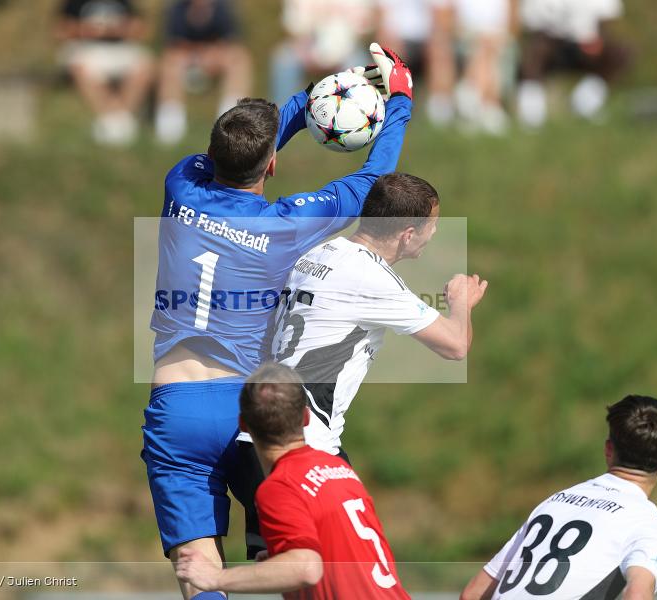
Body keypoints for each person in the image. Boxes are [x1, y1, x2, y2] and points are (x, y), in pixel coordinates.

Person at [141, 44, 415, 600]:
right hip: (249, 416)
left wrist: (311, 98)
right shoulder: (281, 226)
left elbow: (248, 141)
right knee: (291, 560)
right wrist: (399, 98)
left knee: (199, 570)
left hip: (175, 410)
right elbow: (374, 178)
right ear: (272, 165)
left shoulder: (181, 184)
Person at [229, 173, 488, 558]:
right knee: (355, 568)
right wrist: (461, 303)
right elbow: (455, 347)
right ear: (408, 233)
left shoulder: (315, 254)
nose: (434, 235)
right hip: (302, 449)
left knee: (289, 572)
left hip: (254, 442)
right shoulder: (373, 279)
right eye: (432, 226)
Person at [175, 362, 411, 599]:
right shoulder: (339, 468)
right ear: (306, 417)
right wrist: (283, 563)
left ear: (243, 424)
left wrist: (215, 577)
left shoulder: (279, 487)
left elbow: (306, 567)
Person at [460, 395, 657, 600]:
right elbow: (637, 594)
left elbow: (473, 593)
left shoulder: (556, 502)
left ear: (608, 449)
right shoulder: (650, 524)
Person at [517, 0, 631, 127]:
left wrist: (598, 40)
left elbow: (607, 20)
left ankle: (585, 103)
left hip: (586, 45)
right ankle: (531, 115)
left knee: (619, 53)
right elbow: (530, 24)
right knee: (535, 52)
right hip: (552, 44)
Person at [57, 0, 154, 145]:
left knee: (145, 64)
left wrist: (118, 29)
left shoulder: (124, 3)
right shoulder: (74, 3)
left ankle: (118, 121)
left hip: (120, 48)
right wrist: (86, 30)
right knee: (81, 66)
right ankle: (115, 122)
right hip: (85, 48)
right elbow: (60, 30)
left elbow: (140, 29)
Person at [155, 0, 253, 144]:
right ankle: (170, 129)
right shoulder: (176, 8)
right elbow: (172, 44)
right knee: (170, 62)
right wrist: (196, 55)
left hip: (216, 58)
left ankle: (232, 122)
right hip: (184, 60)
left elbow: (231, 40)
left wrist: (212, 54)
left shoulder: (224, 8)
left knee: (239, 59)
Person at [269, 0, 373, 106]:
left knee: (359, 64)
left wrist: (338, 51)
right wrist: (306, 51)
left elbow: (364, 26)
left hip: (348, 50)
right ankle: (283, 116)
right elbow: (293, 27)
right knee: (284, 60)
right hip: (305, 47)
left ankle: (358, 113)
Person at [373, 0, 456, 125]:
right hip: (399, 38)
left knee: (440, 47)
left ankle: (440, 106)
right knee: (388, 48)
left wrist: (435, 39)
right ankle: (389, 105)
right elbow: (383, 20)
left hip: (427, 38)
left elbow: (442, 17)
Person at [453, 0, 516, 134]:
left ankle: (472, 96)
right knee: (484, 51)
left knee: (486, 51)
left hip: (498, 40)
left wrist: (497, 38)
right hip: (470, 38)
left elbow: (513, 24)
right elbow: (453, 22)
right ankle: (490, 105)